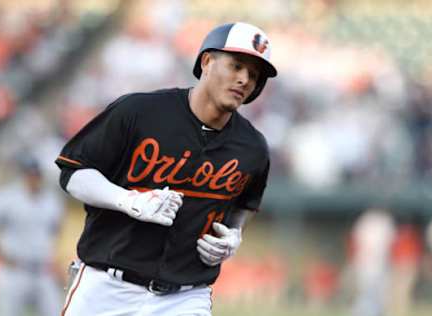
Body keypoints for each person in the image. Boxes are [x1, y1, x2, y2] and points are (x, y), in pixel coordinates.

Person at [56, 21, 277, 316]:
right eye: (236, 66)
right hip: (108, 287)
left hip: (185, 297)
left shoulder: (253, 147)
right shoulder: (139, 112)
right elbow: (74, 173)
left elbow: (244, 205)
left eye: (254, 74)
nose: (244, 79)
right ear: (207, 62)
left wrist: (234, 235)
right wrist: (128, 199)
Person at [0, 155, 65, 316]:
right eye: (29, 174)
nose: (33, 178)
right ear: (23, 175)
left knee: (56, 312)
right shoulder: (8, 197)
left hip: (42, 270)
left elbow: (55, 230)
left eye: (35, 174)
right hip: (15, 269)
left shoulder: (51, 200)